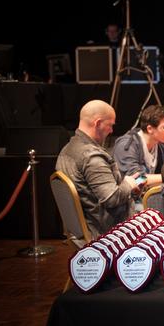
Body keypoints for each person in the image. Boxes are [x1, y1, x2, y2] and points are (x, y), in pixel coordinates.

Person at [56, 100, 139, 238]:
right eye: (110, 125)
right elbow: (111, 199)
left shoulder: (67, 149)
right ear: (98, 123)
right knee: (160, 217)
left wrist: (129, 189)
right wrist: (128, 184)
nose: (112, 131)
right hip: (108, 230)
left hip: (88, 224)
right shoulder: (91, 157)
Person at [112, 105, 164, 187]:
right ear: (150, 129)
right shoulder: (126, 146)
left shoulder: (163, 145)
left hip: (148, 195)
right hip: (126, 197)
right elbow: (136, 180)